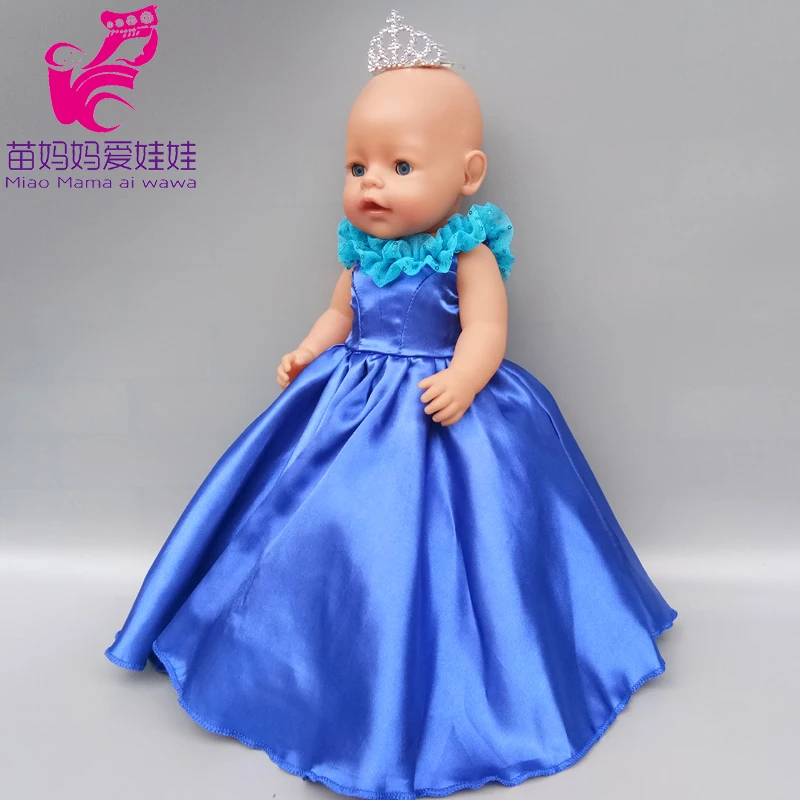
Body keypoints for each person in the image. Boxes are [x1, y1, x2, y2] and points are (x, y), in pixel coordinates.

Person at [105, 11, 678, 799]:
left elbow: (487, 328)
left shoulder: (467, 252)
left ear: (468, 174)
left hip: (443, 402)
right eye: (357, 165)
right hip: (349, 400)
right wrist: (309, 348)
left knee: (469, 543)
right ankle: (310, 661)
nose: (371, 183)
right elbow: (340, 313)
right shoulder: (361, 253)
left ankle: (455, 680)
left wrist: (466, 377)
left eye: (400, 165)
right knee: (313, 528)